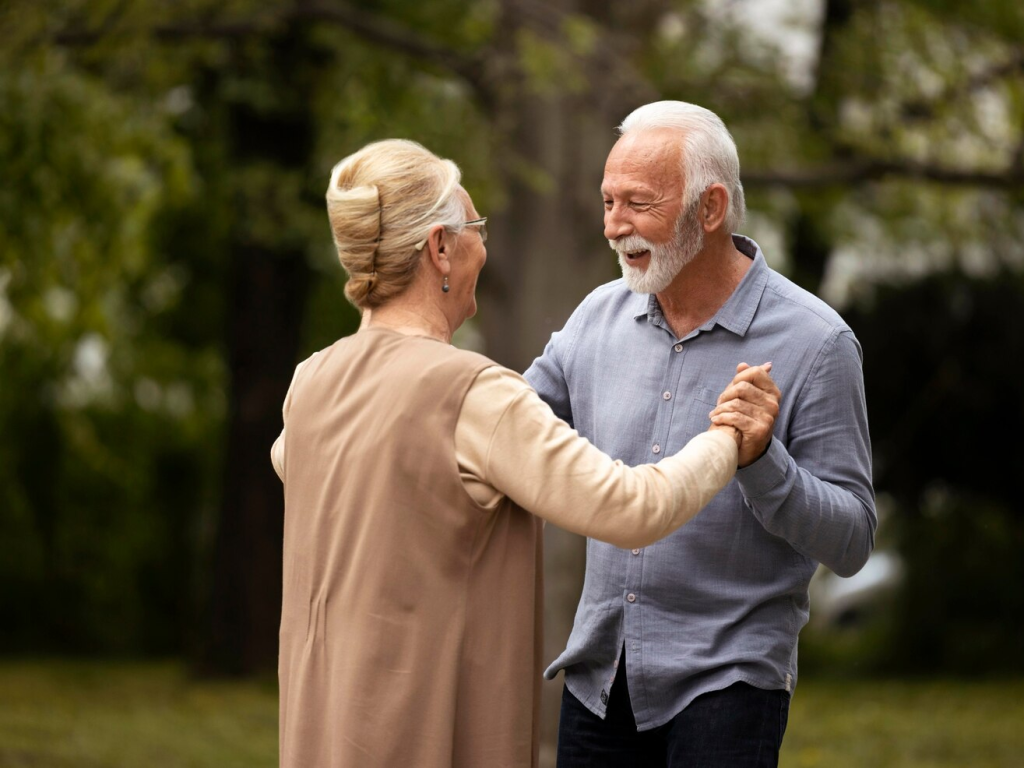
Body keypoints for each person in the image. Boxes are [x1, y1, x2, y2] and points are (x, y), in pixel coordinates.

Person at [269, 138, 781, 768]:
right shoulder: (472, 395)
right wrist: (730, 438)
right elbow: (635, 506)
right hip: (427, 728)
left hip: (325, 727)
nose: (483, 245)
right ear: (440, 249)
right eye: (475, 227)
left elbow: (292, 458)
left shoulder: (309, 385)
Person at [524, 101, 876, 767]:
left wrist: (762, 460)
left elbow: (853, 540)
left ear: (709, 209)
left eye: (637, 202)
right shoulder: (594, 318)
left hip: (729, 685)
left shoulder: (818, 342)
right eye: (607, 202)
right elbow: (508, 424)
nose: (614, 226)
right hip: (599, 680)